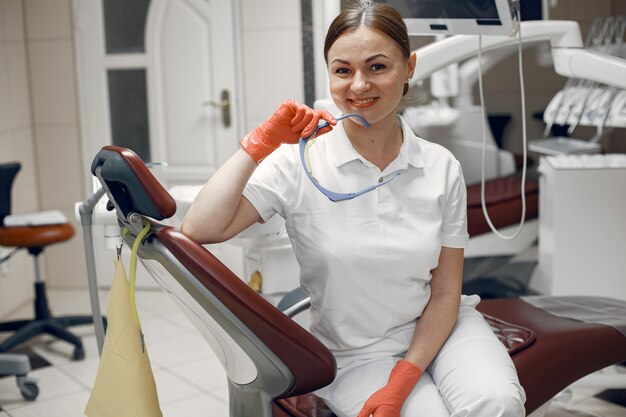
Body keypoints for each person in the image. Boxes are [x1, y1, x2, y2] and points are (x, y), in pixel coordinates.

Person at [181, 1, 526, 416]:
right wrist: (258, 144)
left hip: (445, 330)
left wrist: (404, 377)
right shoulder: (299, 163)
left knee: (497, 401)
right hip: (356, 353)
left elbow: (447, 291)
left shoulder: (439, 166)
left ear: (410, 67)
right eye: (343, 71)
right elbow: (199, 228)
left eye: (377, 67)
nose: (359, 85)